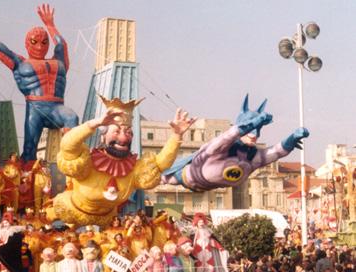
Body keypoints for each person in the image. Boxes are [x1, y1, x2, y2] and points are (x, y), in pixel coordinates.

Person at [50, 97, 195, 228]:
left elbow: (160, 164)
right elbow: (68, 146)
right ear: (103, 137)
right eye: (116, 131)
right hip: (71, 210)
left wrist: (176, 136)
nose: (124, 138)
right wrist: (95, 123)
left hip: (106, 219)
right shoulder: (87, 161)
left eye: (128, 132)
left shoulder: (134, 169)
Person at [0, 4, 79, 161]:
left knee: (72, 117)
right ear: (27, 43)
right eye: (34, 42)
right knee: (29, 150)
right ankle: (26, 180)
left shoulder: (59, 62)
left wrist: (50, 25)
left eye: (44, 42)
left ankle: (72, 162)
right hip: (35, 109)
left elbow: (61, 45)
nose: (39, 46)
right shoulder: (20, 63)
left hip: (57, 107)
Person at [163, 94, 309, 191]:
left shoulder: (251, 158)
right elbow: (230, 135)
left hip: (206, 183)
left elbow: (276, 152)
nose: (254, 135)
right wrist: (255, 122)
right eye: (251, 130)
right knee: (162, 178)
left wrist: (292, 138)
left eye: (258, 130)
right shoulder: (218, 148)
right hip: (186, 176)